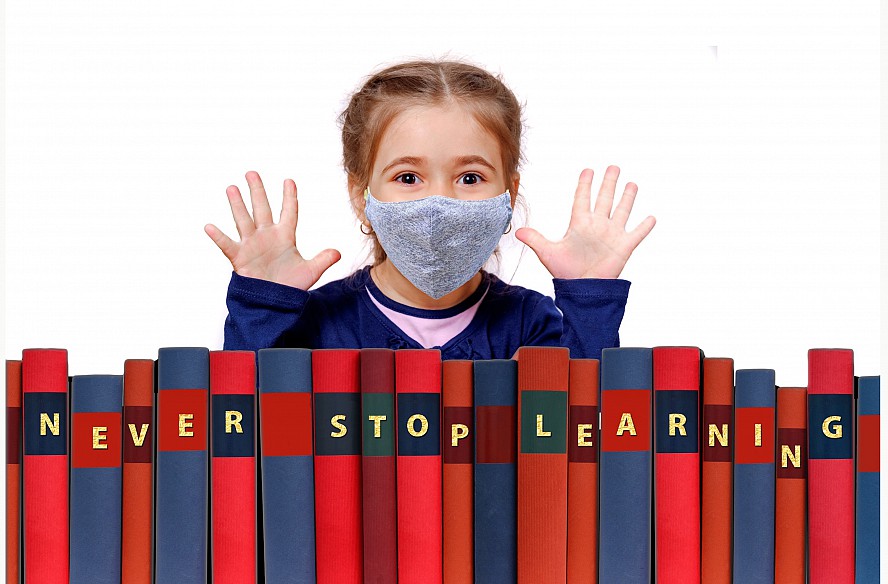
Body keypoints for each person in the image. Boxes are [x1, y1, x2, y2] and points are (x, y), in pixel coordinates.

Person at [205, 59, 655, 360]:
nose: (439, 205)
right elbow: (245, 432)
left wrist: (588, 300)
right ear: (361, 195)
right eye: (407, 178)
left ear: (509, 196)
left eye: (470, 178)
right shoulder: (317, 325)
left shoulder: (531, 325)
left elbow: (589, 439)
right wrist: (261, 306)